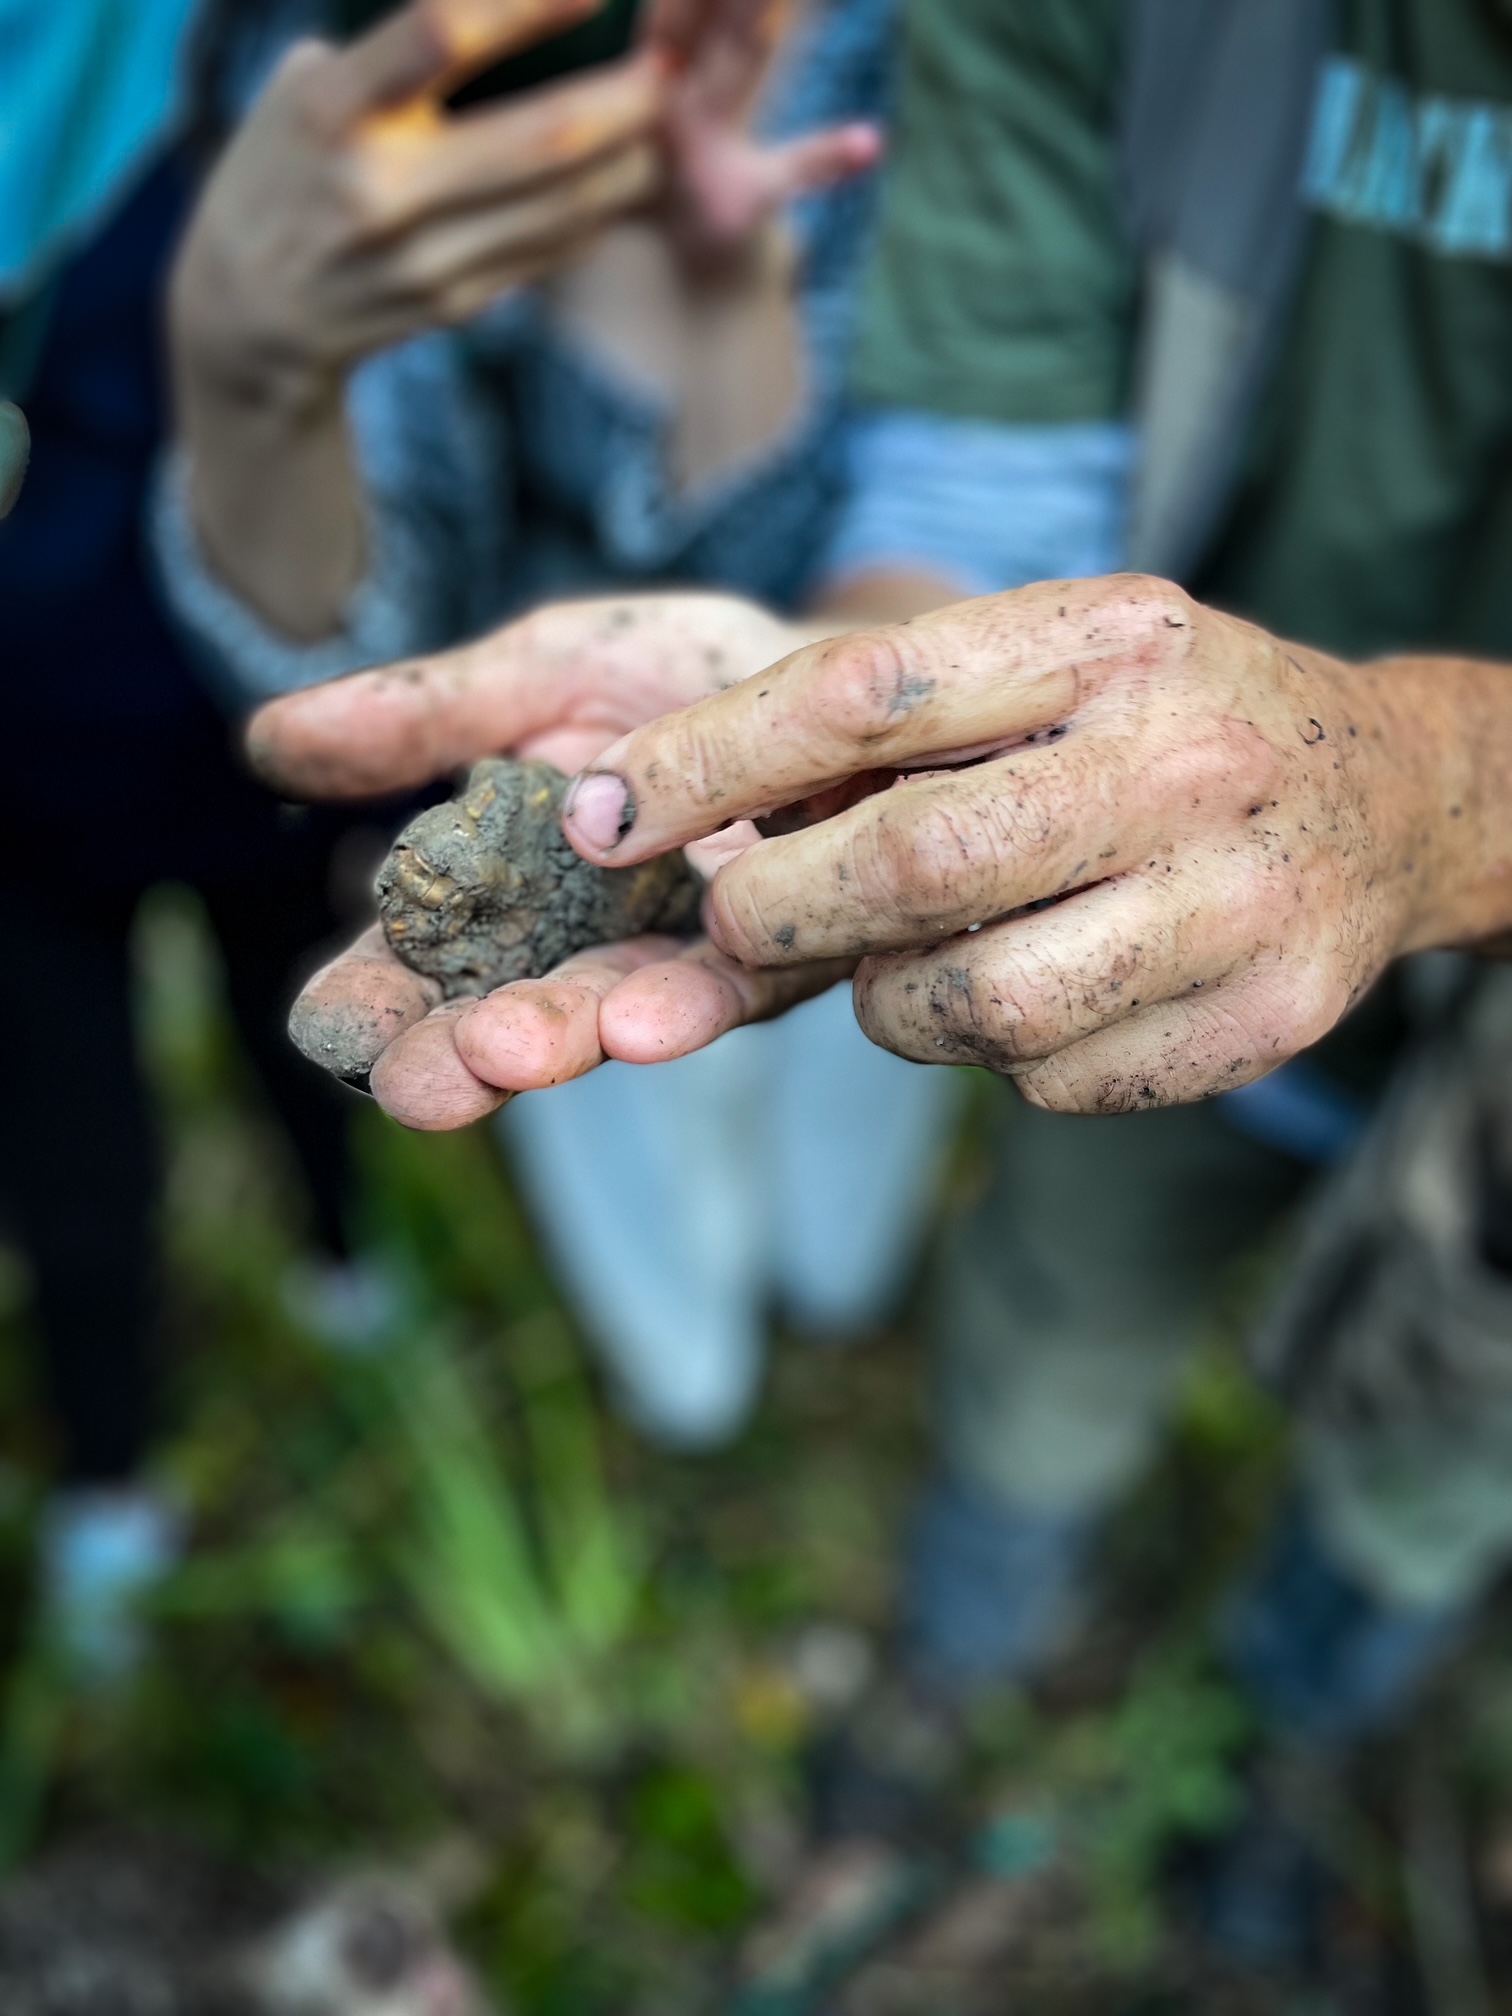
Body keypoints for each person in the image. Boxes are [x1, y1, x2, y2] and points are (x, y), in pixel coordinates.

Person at [247, 0, 1512, 1968]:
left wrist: (1425, 801)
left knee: (1452, 1448)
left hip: (1427, 947)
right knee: (1051, 1316)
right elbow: (987, 486)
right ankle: (956, 1657)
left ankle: (1295, 1740)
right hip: (1138, 915)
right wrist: (842, 703)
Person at [158, 0, 966, 1451]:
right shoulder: (339, 73)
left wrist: (729, 306)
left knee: (864, 1097)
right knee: (638, 1129)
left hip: (887, 765)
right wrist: (250, 386)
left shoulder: (957, 66)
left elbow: (994, 487)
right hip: (566, 765)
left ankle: (841, 1288)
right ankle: (695, 1390)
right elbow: (349, 636)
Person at [0, 0, 400, 1681]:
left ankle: (344, 1273)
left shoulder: (325, 89)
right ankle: (113, 1479)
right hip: (19, 774)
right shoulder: (50, 111)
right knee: (74, 1167)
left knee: (300, 1030)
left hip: (257, 741)